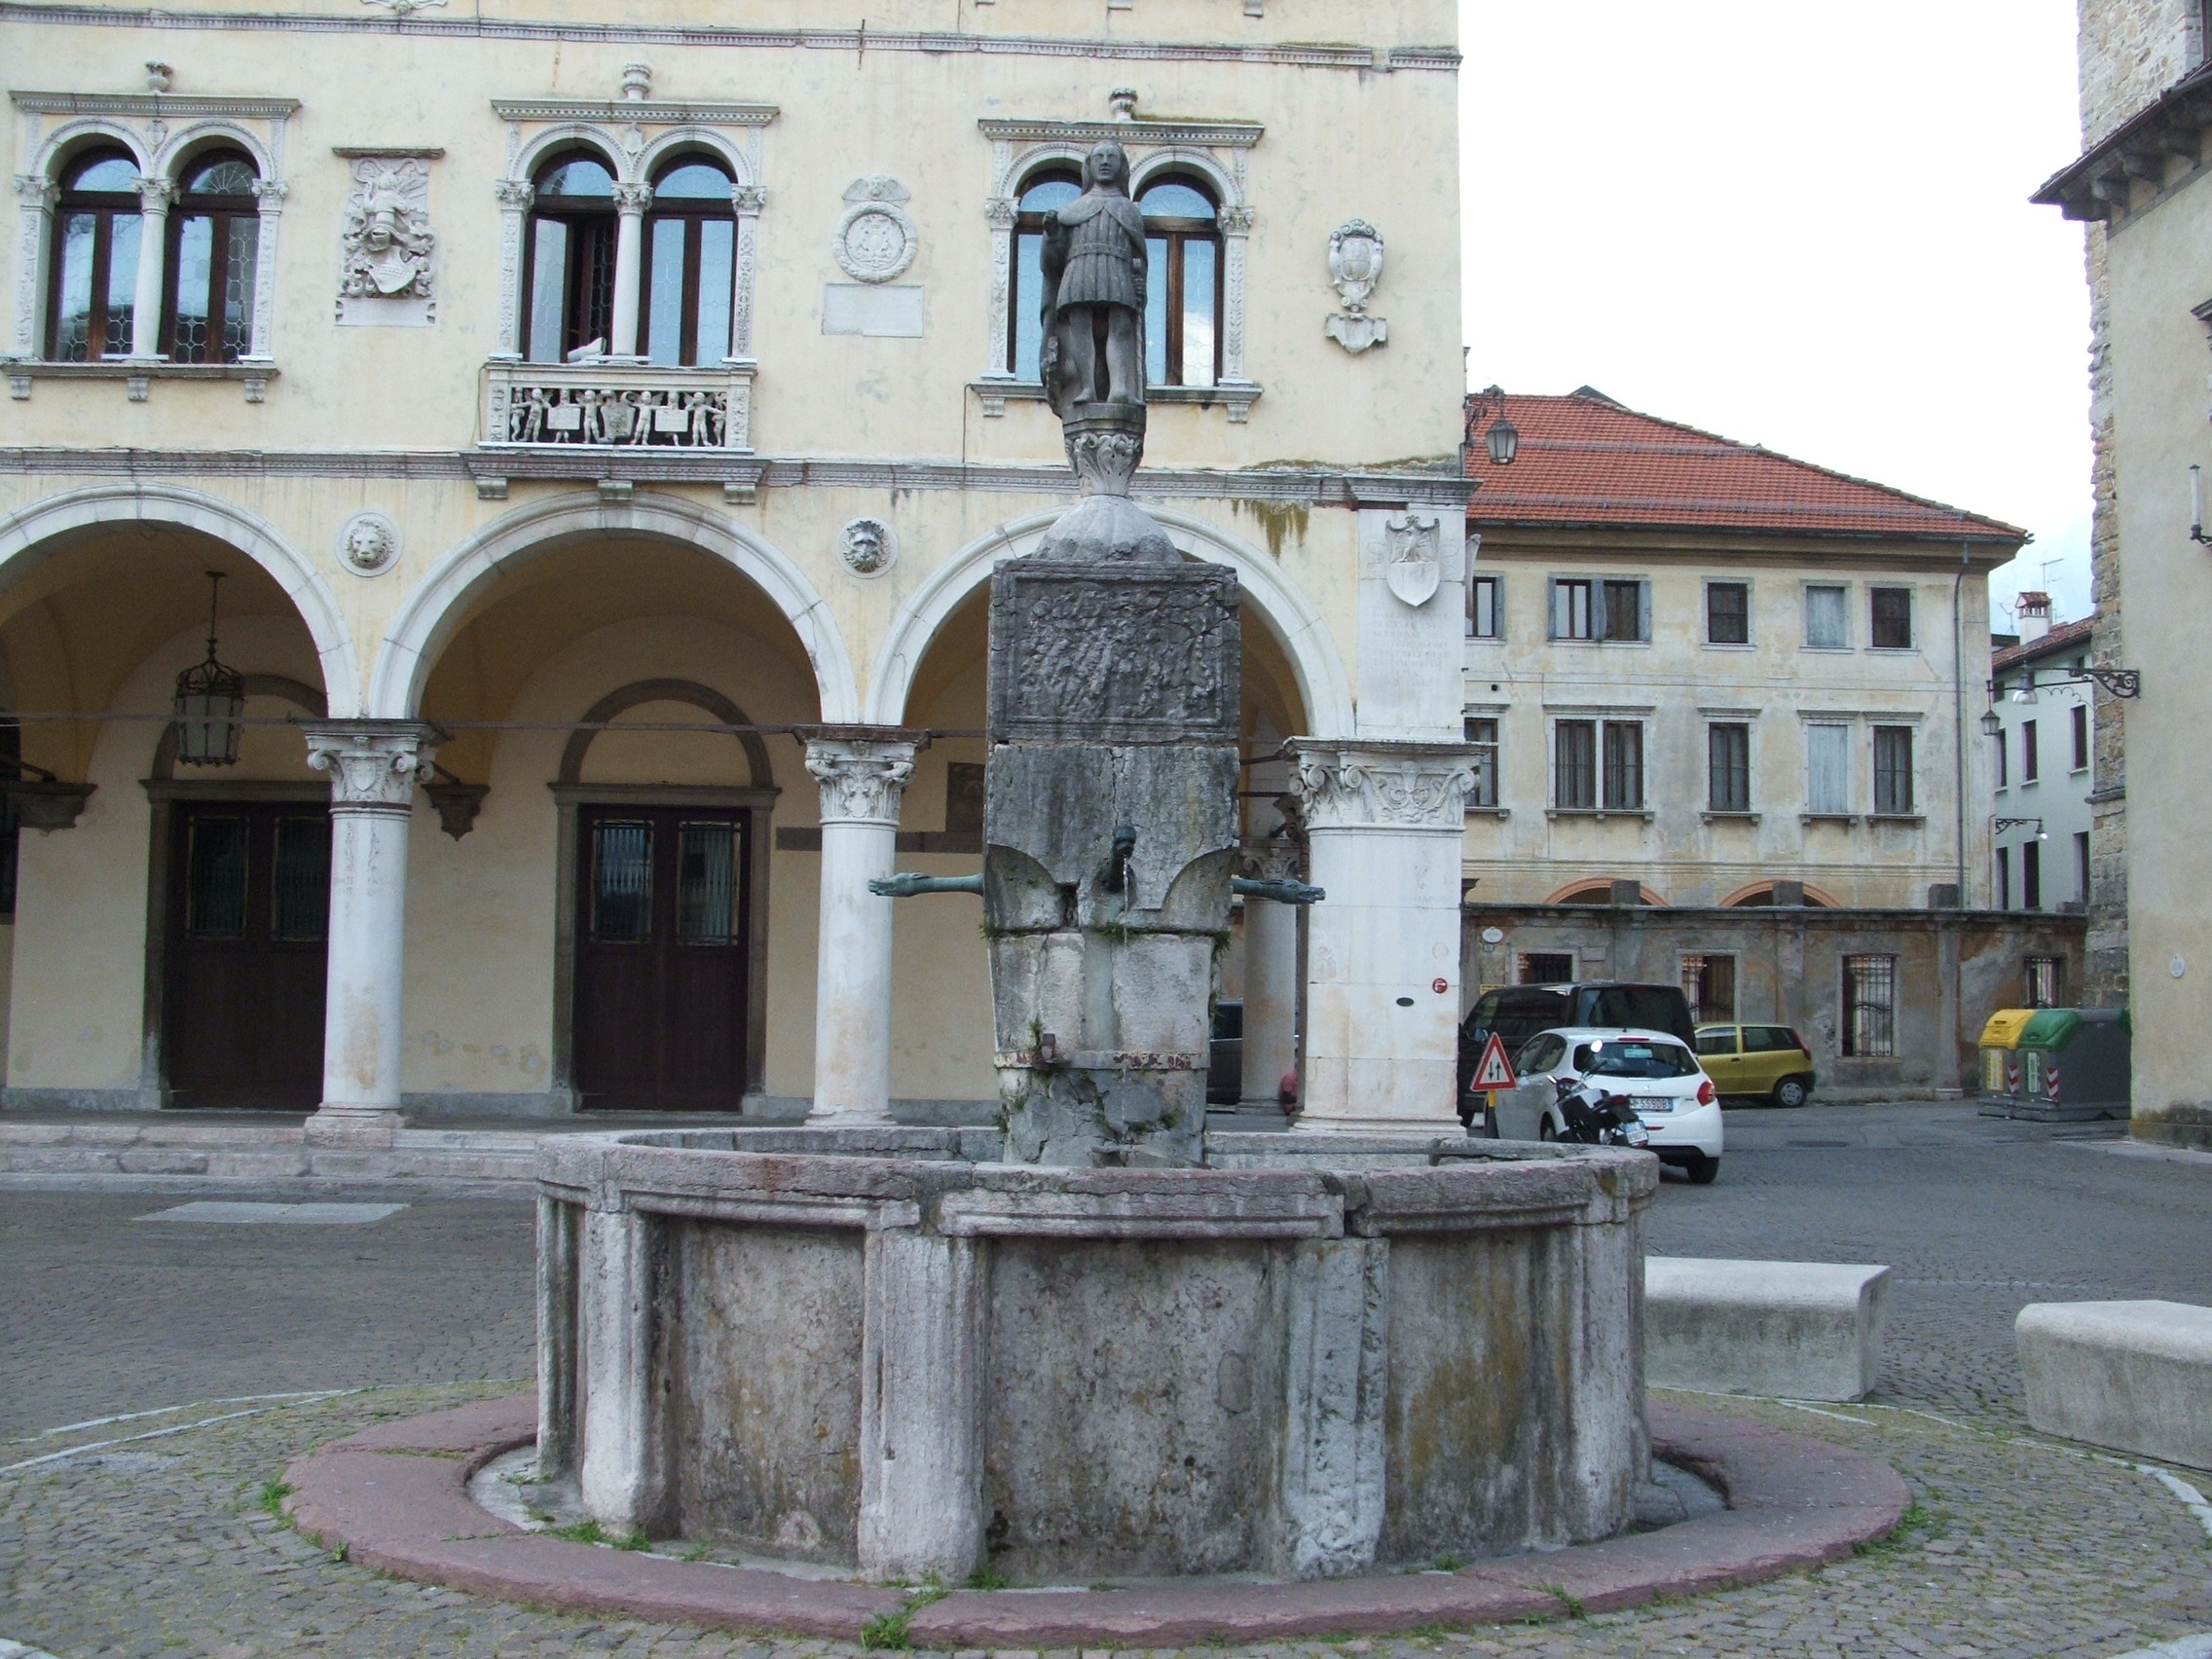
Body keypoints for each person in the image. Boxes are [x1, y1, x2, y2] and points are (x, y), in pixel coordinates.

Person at [1038, 139, 1148, 414]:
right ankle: (1087, 386)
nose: (1105, 161)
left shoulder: (1129, 210)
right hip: (1080, 269)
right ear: (1089, 165)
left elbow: (1139, 254)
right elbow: (1053, 261)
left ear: (1122, 166)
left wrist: (1138, 275)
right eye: (1099, 157)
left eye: (1112, 156)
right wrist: (1053, 234)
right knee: (1080, 328)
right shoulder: (1072, 211)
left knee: (1121, 326)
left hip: (1116, 268)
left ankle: (1120, 387)